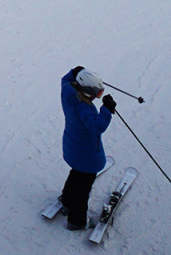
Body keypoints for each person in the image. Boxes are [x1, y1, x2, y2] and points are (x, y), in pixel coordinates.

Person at [60, 66, 117, 229]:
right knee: (82, 190)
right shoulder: (83, 108)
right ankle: (76, 221)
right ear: (88, 92)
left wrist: (74, 72)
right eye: (98, 93)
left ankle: (66, 202)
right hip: (86, 156)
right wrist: (106, 110)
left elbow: (65, 80)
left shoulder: (68, 93)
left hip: (72, 148)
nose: (98, 96)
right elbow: (97, 126)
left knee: (75, 175)